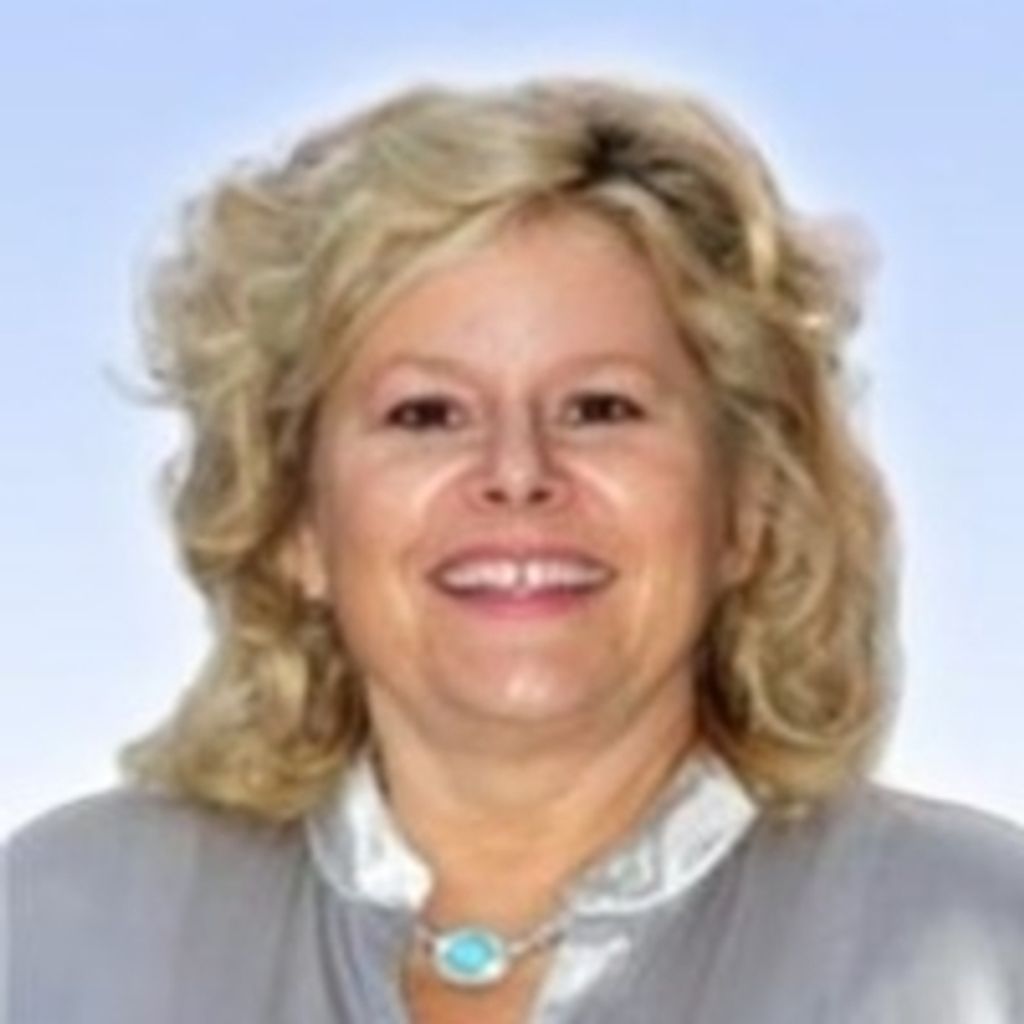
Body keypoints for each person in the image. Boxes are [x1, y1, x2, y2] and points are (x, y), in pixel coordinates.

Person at [5, 73, 1024, 1024]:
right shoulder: (65, 928)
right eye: (426, 413)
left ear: (748, 507)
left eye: (600, 407)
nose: (518, 471)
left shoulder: (974, 949)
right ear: (294, 523)